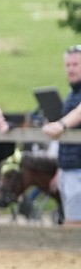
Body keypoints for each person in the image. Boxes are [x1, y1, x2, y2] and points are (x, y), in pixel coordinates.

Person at [40, 45, 81, 225]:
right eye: (68, 65)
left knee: (73, 229)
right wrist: (60, 169)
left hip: (78, 171)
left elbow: (79, 113)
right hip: (69, 169)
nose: (71, 69)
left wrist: (61, 124)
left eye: (76, 64)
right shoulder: (72, 94)